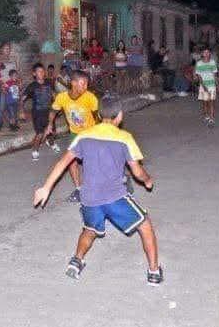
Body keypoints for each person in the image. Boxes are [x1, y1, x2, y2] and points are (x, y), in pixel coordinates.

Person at [33, 98, 163, 285]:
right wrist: (148, 180)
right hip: (115, 198)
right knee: (145, 225)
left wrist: (46, 188)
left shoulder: (84, 135)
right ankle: (154, 271)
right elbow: (137, 172)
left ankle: (76, 261)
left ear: (99, 115)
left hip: (89, 199)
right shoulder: (124, 137)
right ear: (119, 116)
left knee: (90, 229)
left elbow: (63, 162)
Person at [45, 70, 99, 203]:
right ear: (73, 83)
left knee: (91, 162)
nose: (85, 87)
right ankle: (79, 189)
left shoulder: (90, 97)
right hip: (75, 134)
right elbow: (53, 111)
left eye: (86, 84)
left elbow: (97, 117)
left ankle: (95, 188)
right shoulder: (62, 97)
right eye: (82, 84)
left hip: (90, 133)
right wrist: (50, 124)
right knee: (71, 161)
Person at [22, 63, 56, 160]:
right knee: (40, 133)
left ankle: (51, 143)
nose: (42, 73)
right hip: (38, 113)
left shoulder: (49, 83)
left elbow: (54, 95)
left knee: (52, 131)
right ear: (34, 74)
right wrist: (21, 111)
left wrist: (57, 104)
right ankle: (35, 150)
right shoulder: (32, 86)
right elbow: (22, 99)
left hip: (49, 112)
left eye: (43, 71)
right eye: (39, 71)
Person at [194, 48, 219, 126]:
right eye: (205, 52)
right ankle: (206, 115)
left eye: (208, 52)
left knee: (211, 101)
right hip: (204, 85)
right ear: (202, 54)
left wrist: (217, 84)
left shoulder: (212, 62)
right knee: (205, 102)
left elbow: (215, 74)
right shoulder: (199, 63)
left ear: (210, 54)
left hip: (212, 85)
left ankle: (211, 118)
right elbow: (199, 76)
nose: (206, 54)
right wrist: (203, 85)